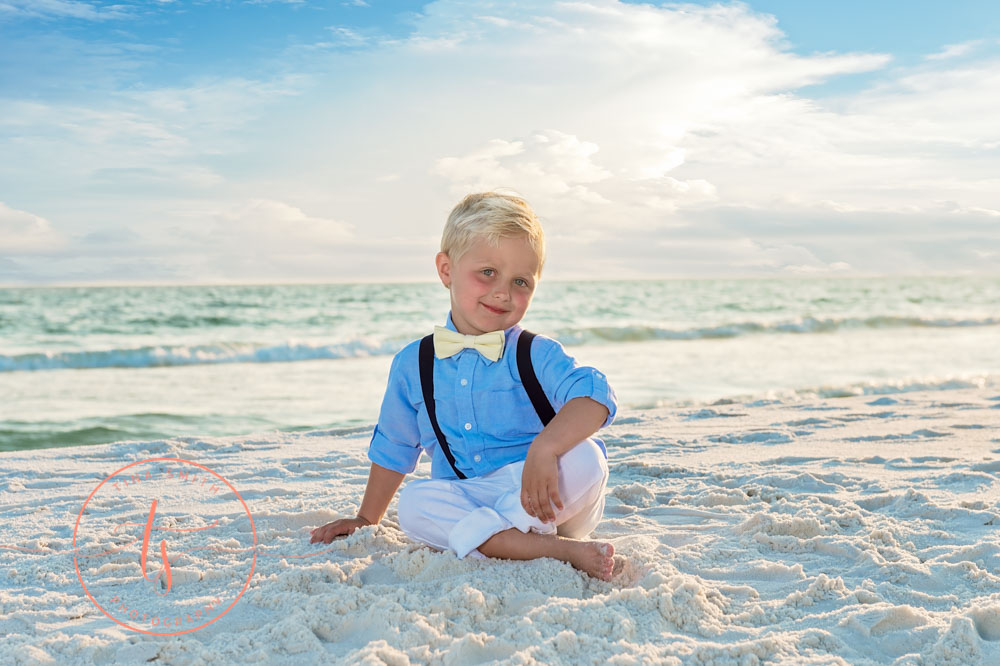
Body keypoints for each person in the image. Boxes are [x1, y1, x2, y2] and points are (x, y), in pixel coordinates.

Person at [310, 191, 618, 580]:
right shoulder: (413, 364)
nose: (503, 292)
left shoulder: (535, 352)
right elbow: (395, 445)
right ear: (446, 269)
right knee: (415, 504)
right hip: (472, 496)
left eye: (520, 281)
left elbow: (596, 396)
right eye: (487, 272)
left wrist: (545, 448)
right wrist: (366, 517)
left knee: (588, 457)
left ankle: (499, 541)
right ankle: (546, 548)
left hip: (545, 495)